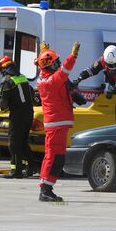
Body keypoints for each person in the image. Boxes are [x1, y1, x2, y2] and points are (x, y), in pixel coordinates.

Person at [35, 41, 80, 202]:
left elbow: (45, 63)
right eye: (56, 63)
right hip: (56, 124)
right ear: (50, 66)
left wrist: (45, 51)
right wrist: (73, 55)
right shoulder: (52, 81)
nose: (58, 65)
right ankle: (45, 189)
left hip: (58, 123)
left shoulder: (45, 77)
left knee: (57, 157)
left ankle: (48, 188)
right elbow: (65, 70)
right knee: (53, 157)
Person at [73, 45, 116, 123]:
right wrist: (80, 78)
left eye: (113, 64)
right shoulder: (102, 60)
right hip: (113, 83)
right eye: (109, 65)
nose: (111, 67)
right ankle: (115, 124)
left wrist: (113, 90)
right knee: (109, 106)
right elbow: (91, 70)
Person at [0, 55, 34, 179]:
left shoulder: (8, 81)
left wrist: (1, 108)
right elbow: (31, 93)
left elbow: (3, 103)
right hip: (29, 113)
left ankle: (16, 171)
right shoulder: (23, 78)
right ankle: (30, 168)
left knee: (13, 143)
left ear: (4, 69)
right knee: (23, 142)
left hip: (18, 115)